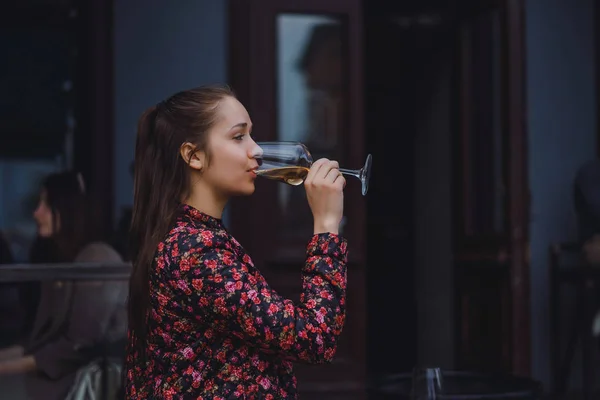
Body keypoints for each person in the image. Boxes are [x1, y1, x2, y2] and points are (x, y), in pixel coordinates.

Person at [124, 84, 348, 399]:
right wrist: (326, 226)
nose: (256, 150)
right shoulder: (195, 250)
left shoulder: (192, 238)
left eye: (251, 135)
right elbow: (315, 340)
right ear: (194, 155)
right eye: (239, 136)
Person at [0, 171, 127, 400]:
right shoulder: (62, 264)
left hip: (92, 384)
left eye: (46, 204)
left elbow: (78, 346)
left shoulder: (97, 259)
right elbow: (38, 341)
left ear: (67, 211)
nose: (36, 212)